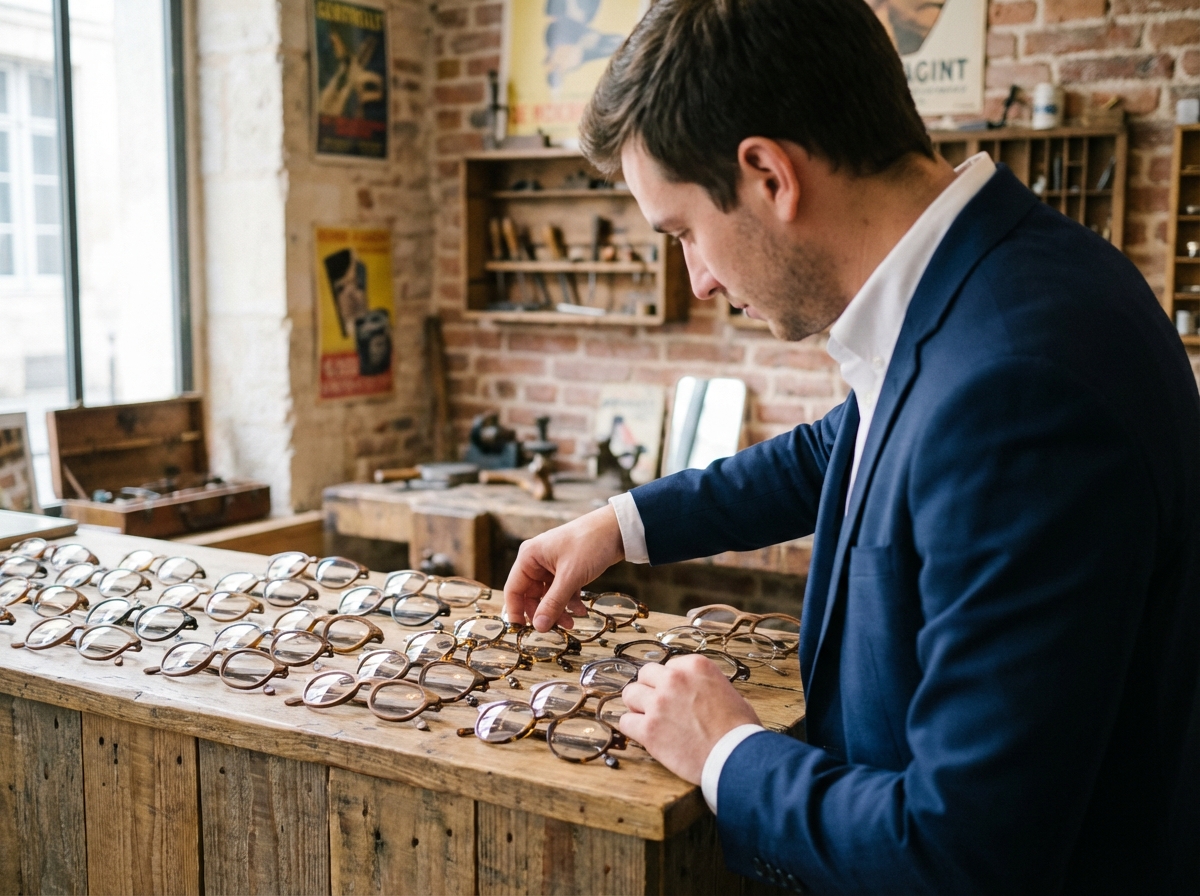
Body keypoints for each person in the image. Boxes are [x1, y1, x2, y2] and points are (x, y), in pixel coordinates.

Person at [502, 0, 1200, 892]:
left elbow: (964, 851)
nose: (701, 279)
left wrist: (727, 751)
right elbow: (840, 448)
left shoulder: (1019, 386)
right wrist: (619, 523)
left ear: (768, 175)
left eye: (683, 232)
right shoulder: (993, 284)